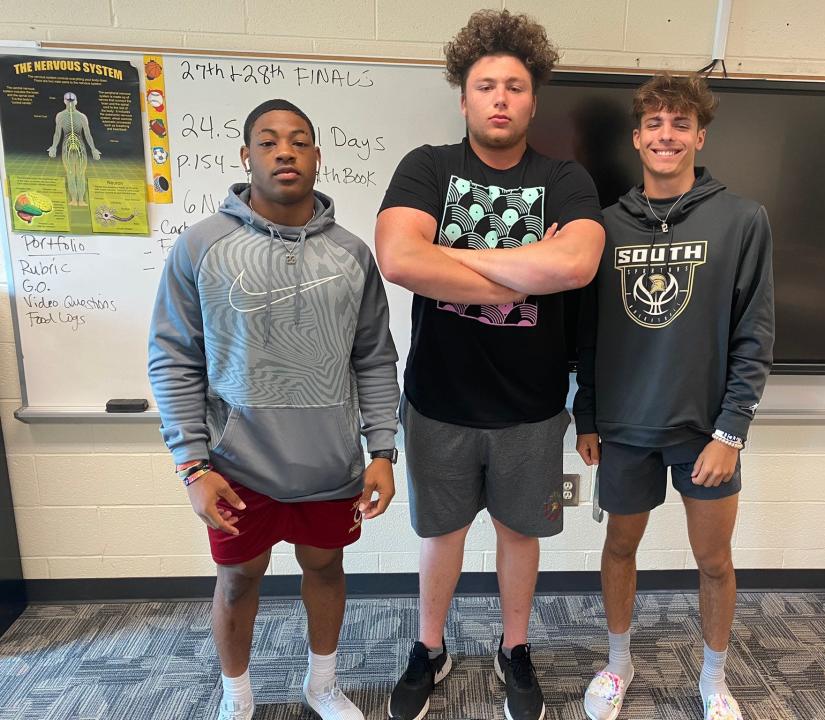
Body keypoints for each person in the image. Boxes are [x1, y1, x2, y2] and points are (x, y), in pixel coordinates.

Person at [375, 9, 604, 720]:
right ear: (463, 96)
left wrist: (451, 263)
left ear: (534, 99)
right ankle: (429, 648)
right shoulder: (428, 167)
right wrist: (527, 271)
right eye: (485, 85)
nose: (500, 97)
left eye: (514, 85)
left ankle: (514, 650)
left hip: (531, 408)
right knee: (439, 536)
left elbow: (580, 262)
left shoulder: (565, 178)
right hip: (438, 401)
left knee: (519, 536)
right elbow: (398, 258)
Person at [148, 99, 400, 720]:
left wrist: (383, 451)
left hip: (329, 465)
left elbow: (374, 358)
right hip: (236, 466)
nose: (284, 151)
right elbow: (174, 358)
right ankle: (237, 696)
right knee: (238, 581)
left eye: (298, 141)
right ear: (245, 157)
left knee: (326, 569)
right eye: (267, 142)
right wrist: (192, 465)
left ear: (317, 156)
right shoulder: (201, 247)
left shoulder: (352, 254)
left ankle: (322, 685)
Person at [573, 72, 774, 720]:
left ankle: (715, 679)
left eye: (679, 123)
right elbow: (589, 336)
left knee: (714, 561)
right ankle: (618, 663)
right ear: (636, 138)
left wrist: (730, 431)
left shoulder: (742, 220)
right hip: (625, 427)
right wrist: (587, 417)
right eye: (654, 123)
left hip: (704, 434)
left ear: (699, 134)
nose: (667, 134)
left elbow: (755, 333)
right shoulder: (603, 227)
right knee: (620, 549)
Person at [47, 91, 101, 206]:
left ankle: (80, 200)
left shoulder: (80, 117)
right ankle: (74, 199)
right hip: (68, 146)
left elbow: (87, 134)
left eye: (71, 101)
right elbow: (57, 133)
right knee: (71, 173)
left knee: (80, 173)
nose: (70, 103)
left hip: (78, 145)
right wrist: (53, 147)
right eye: (69, 101)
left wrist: (93, 149)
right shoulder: (62, 116)